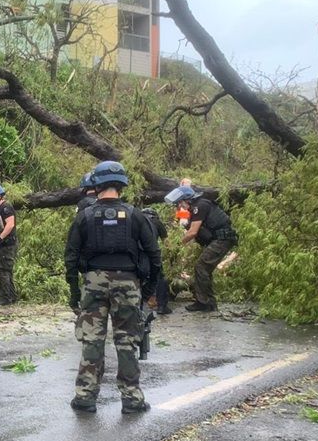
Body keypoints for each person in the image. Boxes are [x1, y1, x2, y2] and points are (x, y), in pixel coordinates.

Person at [64, 161, 161, 414]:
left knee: (92, 341)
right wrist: (148, 291)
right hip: (128, 283)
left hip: (93, 282)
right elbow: (154, 255)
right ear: (121, 185)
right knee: (127, 342)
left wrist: (74, 292)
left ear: (96, 185)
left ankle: (85, 396)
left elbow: (71, 257)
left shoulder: (83, 216)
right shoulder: (135, 215)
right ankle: (132, 399)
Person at [165, 184, 238, 313]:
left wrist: (177, 245)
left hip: (222, 239)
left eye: (180, 203)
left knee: (201, 266)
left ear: (187, 200)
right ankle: (208, 302)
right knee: (205, 268)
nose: (180, 207)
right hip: (217, 239)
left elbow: (193, 232)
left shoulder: (200, 206)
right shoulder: (195, 208)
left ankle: (205, 303)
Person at [0, 183, 18, 305]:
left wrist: (0, 238)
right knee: (6, 269)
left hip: (7, 244)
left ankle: (5, 297)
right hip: (5, 243)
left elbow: (10, 224)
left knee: (3, 270)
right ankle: (11, 295)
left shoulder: (5, 207)